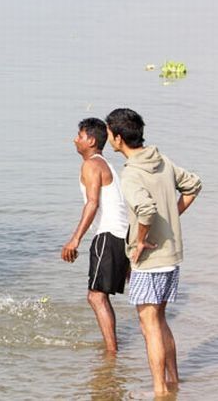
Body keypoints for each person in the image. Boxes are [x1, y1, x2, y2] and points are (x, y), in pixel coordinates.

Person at [106, 108, 201, 396]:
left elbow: (145, 211)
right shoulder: (162, 161)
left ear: (118, 138)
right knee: (159, 320)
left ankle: (159, 390)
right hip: (172, 257)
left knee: (149, 326)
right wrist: (172, 216)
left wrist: (141, 242)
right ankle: (173, 381)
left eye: (109, 133)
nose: (109, 138)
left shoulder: (132, 174)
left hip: (150, 260)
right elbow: (193, 185)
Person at [62, 118, 130, 353]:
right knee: (102, 294)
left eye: (79, 136)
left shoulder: (91, 165)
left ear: (90, 140)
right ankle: (115, 350)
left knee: (96, 296)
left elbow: (92, 204)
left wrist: (75, 239)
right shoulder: (106, 164)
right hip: (122, 235)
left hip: (108, 235)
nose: (75, 139)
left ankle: (111, 353)